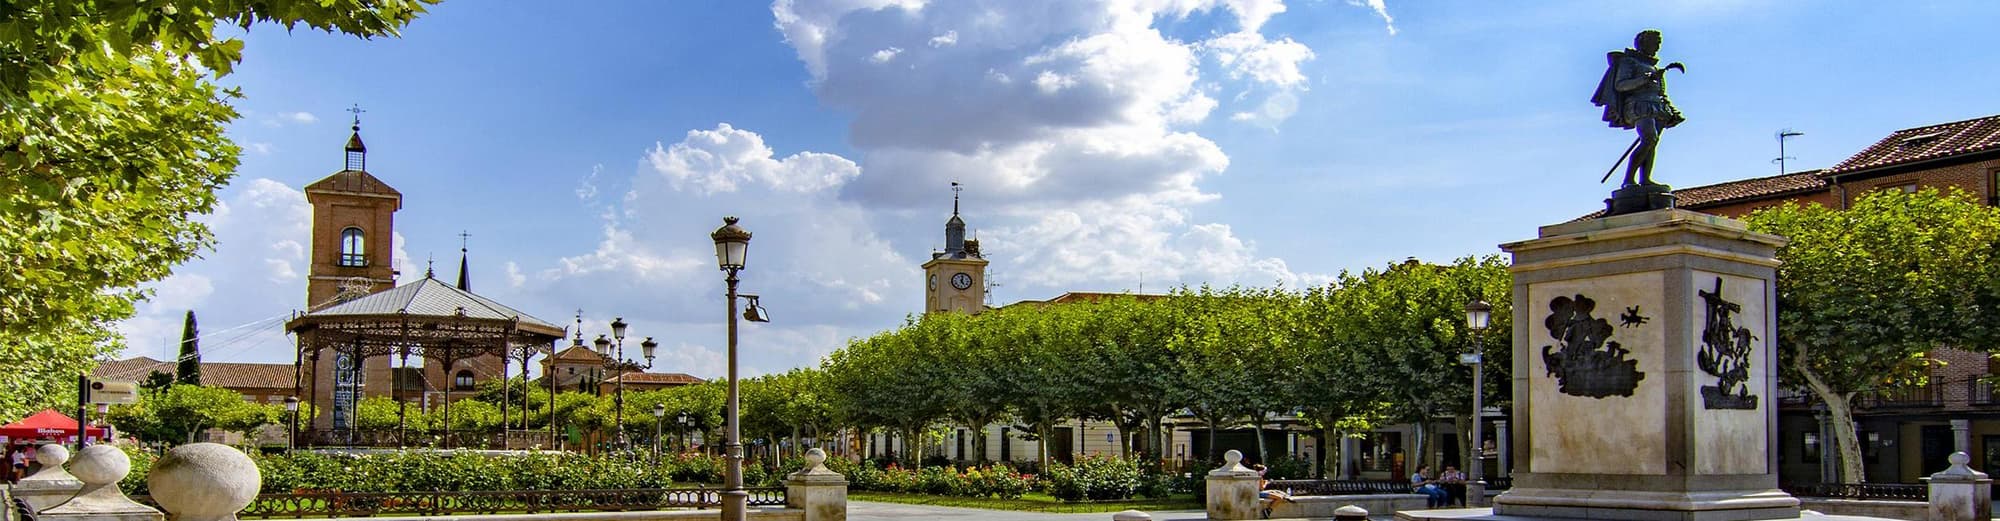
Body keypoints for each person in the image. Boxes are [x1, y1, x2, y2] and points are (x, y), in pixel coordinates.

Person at [1591, 29, 1685, 187]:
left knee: (1652, 143)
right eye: (1654, 43)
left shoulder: (1653, 66)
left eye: (1659, 43)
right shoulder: (1630, 62)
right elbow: (1620, 85)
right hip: (1638, 106)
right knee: (1649, 138)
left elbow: (1660, 91)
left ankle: (1645, 179)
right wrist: (1644, 80)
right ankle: (1628, 179)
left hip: (1658, 107)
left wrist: (1671, 109)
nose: (1657, 46)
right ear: (1643, 43)